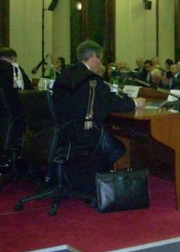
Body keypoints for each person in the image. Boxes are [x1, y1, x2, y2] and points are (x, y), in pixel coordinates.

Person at [52, 40, 144, 195]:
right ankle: (99, 184)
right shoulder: (90, 80)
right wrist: (134, 102)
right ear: (93, 56)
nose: (101, 63)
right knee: (119, 147)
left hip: (62, 130)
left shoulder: (66, 74)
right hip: (81, 134)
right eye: (100, 59)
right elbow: (107, 103)